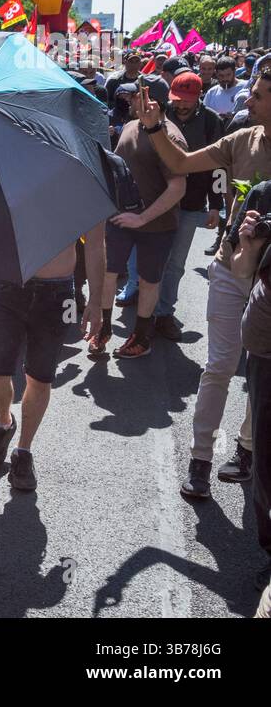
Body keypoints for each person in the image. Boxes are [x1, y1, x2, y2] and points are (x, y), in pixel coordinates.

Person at [134, 72, 271, 498]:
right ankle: (200, 460)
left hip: (269, 279)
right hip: (231, 269)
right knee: (221, 365)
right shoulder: (241, 140)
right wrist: (154, 127)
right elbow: (180, 163)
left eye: (261, 95)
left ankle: (248, 449)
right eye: (252, 92)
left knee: (262, 373)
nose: (250, 99)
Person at [0, 225, 107, 490]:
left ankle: (23, 451)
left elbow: (96, 244)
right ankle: (4, 422)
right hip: (7, 285)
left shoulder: (86, 184)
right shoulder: (8, 180)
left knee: (40, 377)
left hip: (58, 295)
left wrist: (96, 301)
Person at [88, 89, 185, 360]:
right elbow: (118, 169)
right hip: (120, 218)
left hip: (157, 226)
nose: (130, 101)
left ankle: (141, 337)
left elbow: (178, 187)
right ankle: (103, 329)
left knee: (148, 280)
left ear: (156, 102)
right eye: (131, 97)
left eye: (137, 97)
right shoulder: (131, 125)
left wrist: (142, 218)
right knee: (109, 272)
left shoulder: (171, 137)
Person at [152, 70, 223, 340]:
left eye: (187, 100)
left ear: (198, 97)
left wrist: (216, 205)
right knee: (153, 257)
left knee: (176, 263)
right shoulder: (160, 115)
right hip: (156, 199)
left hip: (191, 203)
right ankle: (145, 306)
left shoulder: (211, 122)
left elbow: (220, 165)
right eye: (177, 99)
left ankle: (164, 313)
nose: (181, 105)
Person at [226, 194, 271, 592]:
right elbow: (241, 268)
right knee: (265, 464)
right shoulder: (264, 193)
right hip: (264, 351)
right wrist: (251, 245)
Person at [204, 57, 248, 121]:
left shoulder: (246, 86)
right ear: (216, 74)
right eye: (221, 75)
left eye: (228, 75)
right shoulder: (211, 93)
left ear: (234, 71)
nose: (225, 79)